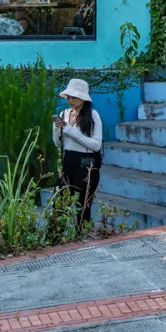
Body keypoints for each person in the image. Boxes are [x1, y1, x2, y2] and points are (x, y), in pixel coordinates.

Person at [51, 78, 102, 229]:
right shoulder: (64, 113)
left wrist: (69, 130)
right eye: (68, 96)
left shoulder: (93, 116)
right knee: (58, 204)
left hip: (85, 164)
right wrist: (56, 128)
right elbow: (59, 144)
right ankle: (56, 240)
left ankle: (82, 239)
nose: (70, 100)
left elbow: (96, 145)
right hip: (67, 161)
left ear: (83, 98)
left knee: (82, 207)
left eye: (74, 97)